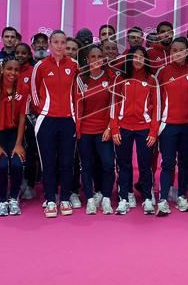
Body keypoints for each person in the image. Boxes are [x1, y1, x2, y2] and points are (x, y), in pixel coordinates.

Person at [30, 30, 78, 218]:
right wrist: (42, 110)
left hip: (68, 120)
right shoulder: (40, 66)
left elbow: (78, 93)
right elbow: (33, 91)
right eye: (56, 42)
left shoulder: (74, 65)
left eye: (63, 42)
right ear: (50, 44)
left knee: (67, 162)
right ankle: (50, 199)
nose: (59, 46)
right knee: (48, 163)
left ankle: (65, 198)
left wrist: (74, 114)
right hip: (46, 120)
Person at [110, 46, 159, 214]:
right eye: (134, 57)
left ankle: (147, 199)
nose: (138, 60)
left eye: (141, 57)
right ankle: (124, 198)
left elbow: (157, 108)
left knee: (145, 166)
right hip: (123, 128)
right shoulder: (120, 79)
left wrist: (153, 131)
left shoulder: (152, 79)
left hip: (144, 128)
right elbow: (114, 106)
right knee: (124, 166)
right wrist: (114, 128)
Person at [154, 37, 188, 216]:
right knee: (167, 164)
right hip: (168, 127)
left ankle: (182, 196)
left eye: (181, 50)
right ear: (170, 52)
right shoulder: (162, 72)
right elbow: (156, 102)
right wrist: (157, 127)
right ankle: (164, 199)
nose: (178, 53)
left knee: (184, 164)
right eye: (174, 50)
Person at [76, 45, 116, 215]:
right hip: (85, 131)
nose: (97, 59)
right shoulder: (80, 79)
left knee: (108, 165)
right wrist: (78, 131)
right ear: (87, 59)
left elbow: (113, 104)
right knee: (87, 166)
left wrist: (109, 127)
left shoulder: (111, 77)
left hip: (103, 130)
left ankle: (106, 198)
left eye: (100, 56)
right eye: (93, 56)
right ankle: (91, 200)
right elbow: (77, 107)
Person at [0, 58, 29, 217]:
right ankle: (3, 200)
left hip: (14, 133)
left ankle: (13, 199)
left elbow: (22, 119)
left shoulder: (23, 88)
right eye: (9, 69)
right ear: (3, 68)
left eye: (16, 70)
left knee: (17, 164)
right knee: (3, 165)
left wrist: (18, 144)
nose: (13, 73)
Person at [13, 42, 39, 200]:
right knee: (16, 152)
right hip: (13, 119)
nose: (20, 55)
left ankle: (30, 184)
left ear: (29, 55)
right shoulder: (11, 70)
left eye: (24, 53)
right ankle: (17, 183)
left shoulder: (34, 71)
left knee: (30, 153)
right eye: (18, 52)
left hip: (31, 117)